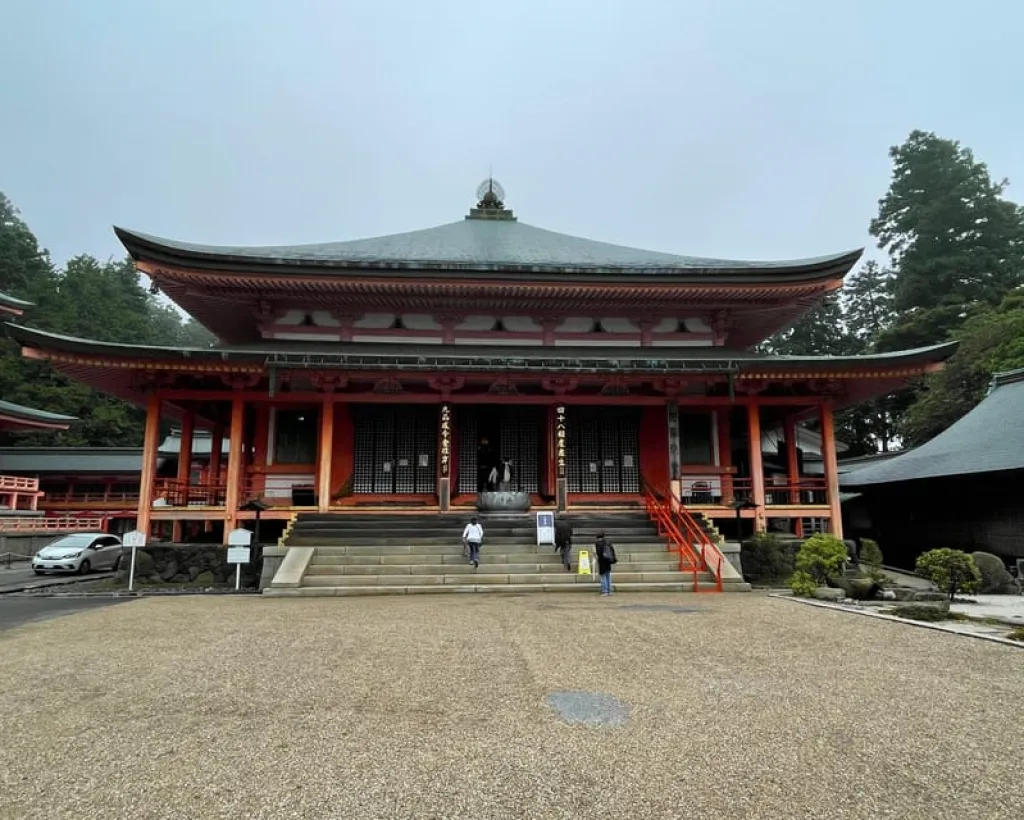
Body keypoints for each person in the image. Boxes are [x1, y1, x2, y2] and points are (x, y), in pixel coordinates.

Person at [594, 530, 617, 596]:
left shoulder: (598, 543)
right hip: (608, 560)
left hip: (602, 560)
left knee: (603, 576)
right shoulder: (608, 542)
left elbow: (599, 553)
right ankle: (609, 590)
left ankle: (605, 591)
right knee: (608, 575)